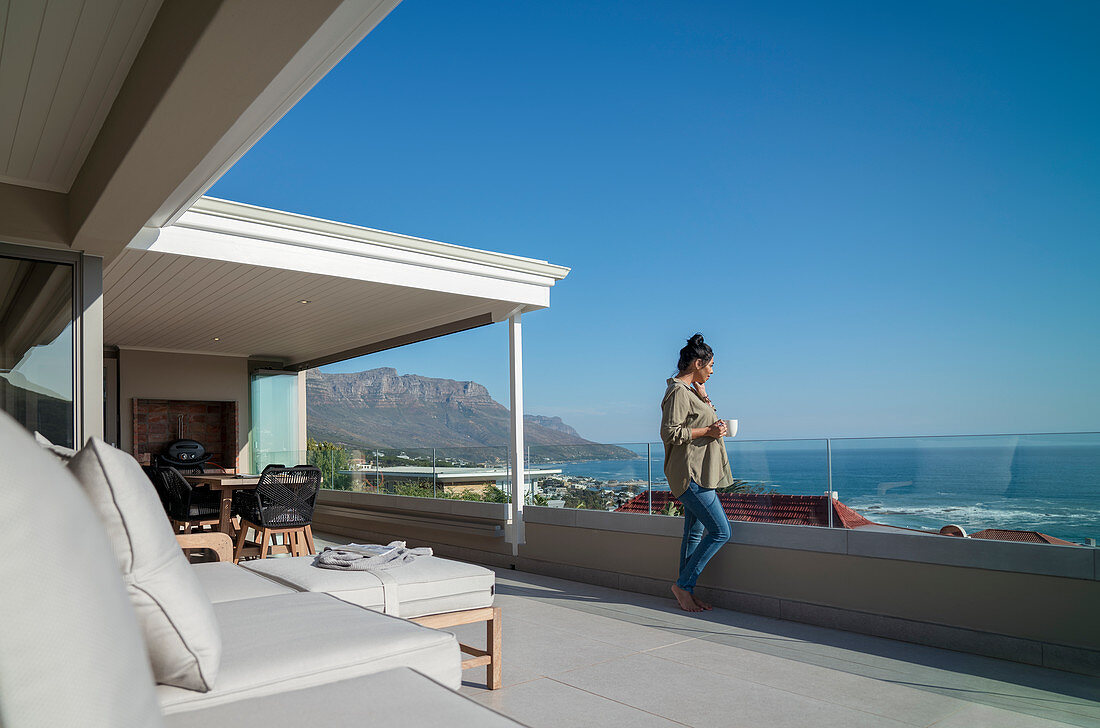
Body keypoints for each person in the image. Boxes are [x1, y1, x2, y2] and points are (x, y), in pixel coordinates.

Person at [660, 333, 734, 612]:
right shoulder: (678, 392)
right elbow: (669, 432)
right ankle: (682, 586)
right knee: (721, 531)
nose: (713, 371)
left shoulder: (690, 391)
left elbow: (704, 420)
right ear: (698, 363)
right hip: (690, 474)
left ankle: (685, 591)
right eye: (711, 365)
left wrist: (705, 398)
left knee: (693, 534)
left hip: (701, 472)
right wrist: (709, 431)